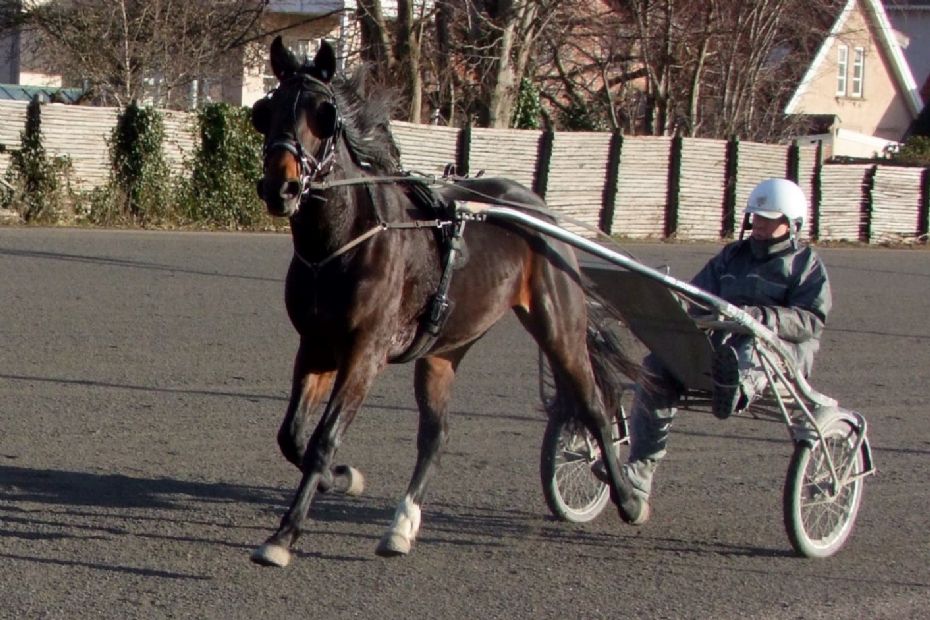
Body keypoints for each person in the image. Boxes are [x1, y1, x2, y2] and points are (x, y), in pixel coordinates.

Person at [622, 178, 832, 525]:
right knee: (657, 365)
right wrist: (666, 301)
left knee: (751, 348)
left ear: (792, 223)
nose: (759, 225)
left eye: (768, 219)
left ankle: (734, 390)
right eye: (756, 217)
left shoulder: (806, 265)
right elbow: (697, 297)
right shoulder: (732, 256)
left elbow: (810, 321)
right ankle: (639, 473)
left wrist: (758, 318)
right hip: (719, 347)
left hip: (779, 356)